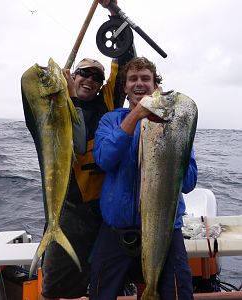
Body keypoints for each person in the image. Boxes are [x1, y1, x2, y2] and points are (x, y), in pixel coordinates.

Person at [39, 1, 136, 299]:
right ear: (73, 75)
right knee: (56, 282)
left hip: (105, 210)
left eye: (97, 77)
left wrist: (115, 14)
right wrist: (62, 90)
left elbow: (124, 57)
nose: (90, 80)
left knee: (108, 280)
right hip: (68, 209)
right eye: (84, 73)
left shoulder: (107, 102)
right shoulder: (55, 103)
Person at [90, 57, 198, 300]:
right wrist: (135, 116)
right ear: (126, 87)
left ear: (155, 86)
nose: (139, 84)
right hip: (117, 229)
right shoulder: (111, 120)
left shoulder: (175, 125)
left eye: (145, 79)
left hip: (166, 232)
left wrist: (174, 144)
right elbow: (105, 159)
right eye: (133, 79)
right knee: (99, 293)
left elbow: (189, 182)